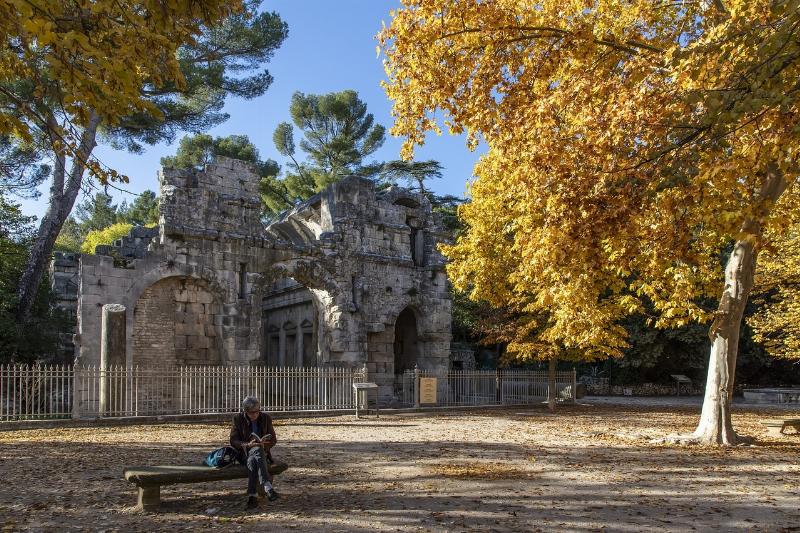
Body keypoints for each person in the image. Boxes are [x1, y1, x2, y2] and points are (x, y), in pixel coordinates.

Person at [230, 396, 288, 509]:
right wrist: (247, 445)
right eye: (252, 413)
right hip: (244, 453)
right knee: (254, 453)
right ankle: (267, 487)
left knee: (254, 459)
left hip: (262, 452)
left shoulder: (266, 418)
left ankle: (252, 496)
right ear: (245, 411)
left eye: (257, 411)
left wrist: (264, 445)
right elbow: (233, 440)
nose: (255, 415)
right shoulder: (237, 419)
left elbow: (273, 439)